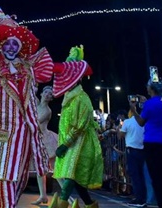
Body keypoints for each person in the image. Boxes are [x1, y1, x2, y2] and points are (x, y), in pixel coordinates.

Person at [0, 6, 90, 208]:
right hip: (4, 134)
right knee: (5, 177)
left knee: (21, 179)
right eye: (8, 44)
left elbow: (52, 68)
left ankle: (10, 204)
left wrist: (73, 67)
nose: (12, 47)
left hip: (27, 135)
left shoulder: (29, 67)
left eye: (16, 43)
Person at [50, 45, 103, 208]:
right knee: (74, 177)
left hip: (80, 143)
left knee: (72, 173)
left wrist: (65, 144)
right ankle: (89, 204)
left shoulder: (82, 98)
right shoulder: (69, 99)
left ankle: (63, 201)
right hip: (70, 142)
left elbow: (80, 126)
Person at [130, 75, 162, 208]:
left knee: (157, 177)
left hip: (152, 143)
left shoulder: (149, 104)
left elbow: (141, 122)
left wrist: (133, 109)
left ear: (150, 88)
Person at [34, 85, 58, 206]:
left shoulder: (47, 111)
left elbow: (36, 124)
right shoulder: (37, 104)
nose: (48, 94)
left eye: (51, 94)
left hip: (46, 140)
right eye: (47, 92)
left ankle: (65, 194)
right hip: (37, 139)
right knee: (40, 169)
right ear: (42, 94)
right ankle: (43, 195)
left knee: (54, 168)